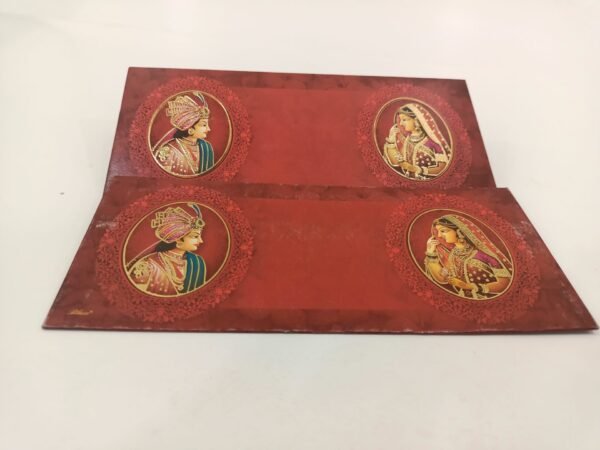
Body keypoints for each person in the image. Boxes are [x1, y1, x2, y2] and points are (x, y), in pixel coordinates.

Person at [423, 214, 513, 299]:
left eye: (443, 231)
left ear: (459, 231)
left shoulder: (483, 255)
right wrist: (431, 253)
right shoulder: (452, 255)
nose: (439, 235)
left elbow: (504, 284)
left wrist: (469, 286)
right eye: (438, 232)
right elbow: (443, 279)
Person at [127, 203, 207, 296]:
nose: (201, 241)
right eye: (195, 236)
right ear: (178, 239)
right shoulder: (148, 266)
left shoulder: (197, 262)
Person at [152, 92, 215, 176]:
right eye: (203, 125)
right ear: (190, 129)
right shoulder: (169, 150)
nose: (208, 129)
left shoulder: (206, 148)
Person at [383, 103, 451, 180]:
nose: (401, 123)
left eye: (404, 120)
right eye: (401, 120)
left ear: (417, 120)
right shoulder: (407, 140)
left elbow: (442, 168)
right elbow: (397, 162)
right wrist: (391, 141)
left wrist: (417, 169)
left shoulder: (432, 142)